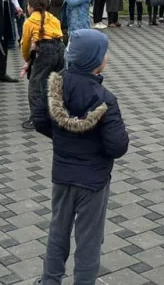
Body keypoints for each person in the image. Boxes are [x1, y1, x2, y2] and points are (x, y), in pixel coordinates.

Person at [32, 29, 129, 285]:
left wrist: (64, 138)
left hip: (62, 175)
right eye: (104, 52)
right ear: (95, 60)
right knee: (89, 239)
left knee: (58, 231)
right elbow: (117, 146)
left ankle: (50, 280)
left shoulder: (55, 88)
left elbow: (41, 120)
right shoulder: (104, 99)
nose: (107, 56)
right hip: (94, 181)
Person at [20, 0, 65, 130]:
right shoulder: (53, 18)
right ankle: (57, 113)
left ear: (31, 7)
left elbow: (25, 44)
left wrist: (28, 59)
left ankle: (37, 118)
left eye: (28, 5)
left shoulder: (29, 22)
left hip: (44, 50)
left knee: (36, 84)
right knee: (56, 82)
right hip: (60, 49)